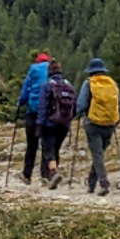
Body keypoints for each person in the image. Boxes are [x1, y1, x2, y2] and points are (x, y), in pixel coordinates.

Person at [76, 56, 120, 196]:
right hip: (109, 124)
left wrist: (76, 114)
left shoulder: (88, 83)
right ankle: (91, 184)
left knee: (97, 155)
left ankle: (104, 183)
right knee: (99, 154)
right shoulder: (112, 84)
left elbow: (81, 104)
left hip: (93, 123)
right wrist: (116, 120)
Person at [37, 59, 77, 187]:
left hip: (50, 123)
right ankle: (47, 176)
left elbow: (42, 107)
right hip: (64, 124)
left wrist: (39, 123)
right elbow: (74, 107)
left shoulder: (47, 85)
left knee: (49, 149)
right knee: (56, 149)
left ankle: (53, 173)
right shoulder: (69, 86)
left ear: (49, 71)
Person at [16, 50, 52, 186]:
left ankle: (27, 174)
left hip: (33, 111)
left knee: (32, 144)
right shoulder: (51, 70)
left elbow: (26, 89)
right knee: (46, 144)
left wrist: (20, 102)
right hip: (48, 112)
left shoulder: (33, 69)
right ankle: (45, 174)